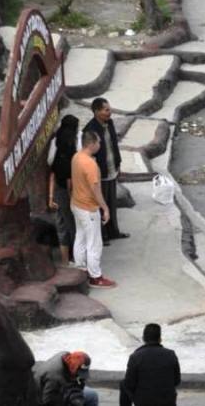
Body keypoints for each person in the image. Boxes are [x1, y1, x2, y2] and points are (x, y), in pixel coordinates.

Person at [71, 131, 116, 288]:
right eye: (98, 142)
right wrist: (105, 207)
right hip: (88, 208)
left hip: (76, 204)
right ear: (91, 144)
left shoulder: (76, 157)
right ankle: (95, 277)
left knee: (81, 236)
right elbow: (96, 190)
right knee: (94, 242)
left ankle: (81, 268)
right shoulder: (90, 165)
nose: (100, 144)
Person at [83, 98, 129, 244]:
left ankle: (113, 232)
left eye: (109, 109)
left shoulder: (110, 124)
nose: (110, 112)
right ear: (97, 111)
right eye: (106, 110)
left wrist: (118, 163)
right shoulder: (90, 130)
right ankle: (102, 236)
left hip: (111, 170)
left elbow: (114, 144)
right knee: (101, 205)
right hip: (100, 174)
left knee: (111, 204)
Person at [120, 323, 181, 406]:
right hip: (167, 403)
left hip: (143, 402)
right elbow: (177, 381)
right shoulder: (171, 354)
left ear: (143, 339)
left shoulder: (135, 357)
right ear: (160, 339)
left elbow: (130, 384)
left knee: (124, 384)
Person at [49, 114, 80, 265]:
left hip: (57, 191)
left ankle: (64, 261)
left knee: (61, 226)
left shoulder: (56, 146)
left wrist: (50, 198)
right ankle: (76, 256)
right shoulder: (72, 153)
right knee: (72, 225)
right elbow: (70, 182)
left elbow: (52, 173)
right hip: (67, 193)